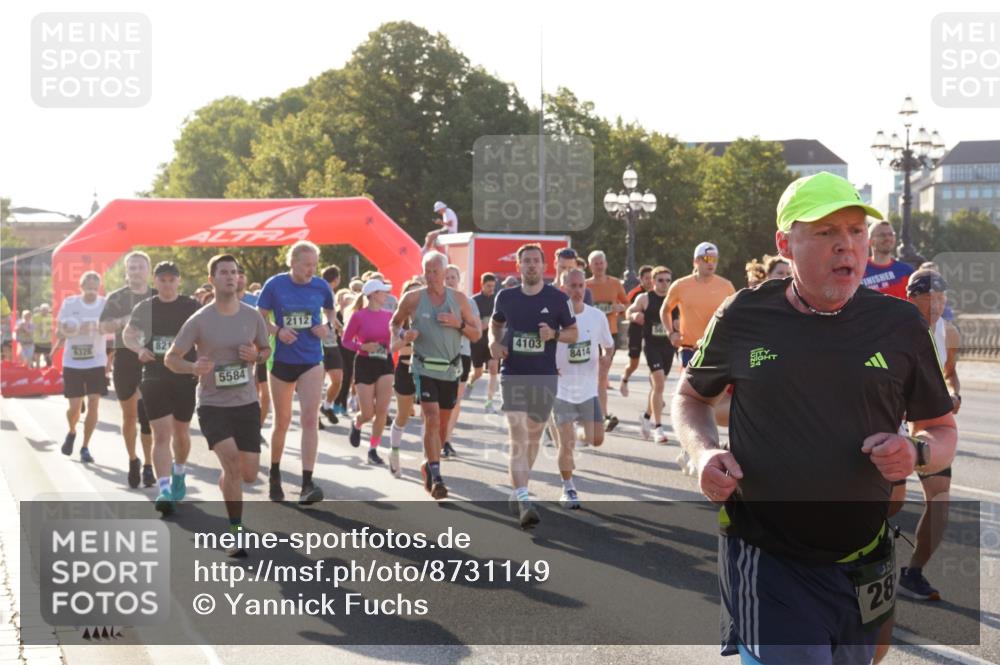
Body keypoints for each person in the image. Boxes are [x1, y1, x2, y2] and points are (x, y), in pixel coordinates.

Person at [671, 171, 957, 664]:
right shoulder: (744, 315)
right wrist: (702, 454)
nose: (846, 246)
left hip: (866, 560)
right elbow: (690, 398)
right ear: (786, 243)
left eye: (855, 232)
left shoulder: (899, 325)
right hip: (770, 561)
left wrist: (915, 451)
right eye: (826, 233)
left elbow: (942, 429)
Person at [166, 254, 270, 558]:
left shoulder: (252, 316)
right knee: (234, 463)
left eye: (234, 272)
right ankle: (236, 533)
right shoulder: (199, 320)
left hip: (247, 402)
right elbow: (171, 358)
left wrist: (256, 356)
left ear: (239, 279)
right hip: (213, 404)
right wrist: (193, 367)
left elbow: (265, 350)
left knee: (248, 474)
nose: (230, 277)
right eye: (223, 272)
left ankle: (228, 483)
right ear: (212, 280)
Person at [490, 243, 577, 528]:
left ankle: (518, 487)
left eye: (535, 261)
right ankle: (525, 498)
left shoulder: (557, 298)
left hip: (544, 374)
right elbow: (497, 324)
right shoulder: (505, 296)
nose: (530, 265)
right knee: (518, 434)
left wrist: (553, 333)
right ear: (519, 266)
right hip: (513, 372)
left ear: (543, 266)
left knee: (535, 434)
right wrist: (495, 342)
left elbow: (573, 333)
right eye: (525, 261)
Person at [390, 251, 481, 500]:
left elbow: (476, 335)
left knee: (441, 426)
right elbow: (395, 322)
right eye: (427, 271)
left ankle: (428, 463)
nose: (431, 276)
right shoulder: (413, 298)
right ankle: (437, 475)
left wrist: (457, 324)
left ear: (444, 272)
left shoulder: (460, 300)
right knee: (429, 418)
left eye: (435, 272)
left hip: (450, 368)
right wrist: (402, 336)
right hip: (422, 367)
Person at [898, 269, 962, 601]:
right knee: (886, 504)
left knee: (940, 506)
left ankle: (914, 571)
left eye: (941, 298)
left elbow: (950, 374)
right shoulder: (894, 330)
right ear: (912, 298)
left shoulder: (947, 333)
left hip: (929, 428)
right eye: (929, 298)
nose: (936, 305)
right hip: (891, 422)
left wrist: (954, 394)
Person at [257, 241, 335, 504]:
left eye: (315, 264)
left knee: (310, 420)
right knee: (282, 420)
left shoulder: (321, 286)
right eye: (306, 265)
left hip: (312, 358)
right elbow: (260, 317)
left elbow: (331, 313)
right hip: (281, 360)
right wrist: (277, 331)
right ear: (293, 263)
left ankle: (307, 482)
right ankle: (275, 473)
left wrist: (326, 326)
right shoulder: (275, 285)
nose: (311, 270)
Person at [123, 262, 200, 514]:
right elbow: (128, 334)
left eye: (171, 280)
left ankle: (179, 471)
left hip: (184, 375)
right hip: (154, 374)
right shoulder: (145, 307)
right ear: (155, 282)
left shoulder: (191, 306)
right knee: (161, 434)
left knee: (181, 433)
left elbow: (205, 334)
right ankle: (164, 488)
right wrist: (139, 349)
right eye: (162, 280)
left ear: (178, 281)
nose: (167, 284)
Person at [554, 268, 613, 509]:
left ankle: (581, 431)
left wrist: (606, 361)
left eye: (580, 286)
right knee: (565, 444)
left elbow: (608, 346)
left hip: (588, 390)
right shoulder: (554, 318)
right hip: (560, 391)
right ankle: (568, 489)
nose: (577, 291)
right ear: (563, 288)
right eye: (572, 286)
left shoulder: (596, 317)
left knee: (596, 439)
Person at [100, 251, 155, 489]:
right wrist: (124, 320)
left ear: (148, 270)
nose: (136, 271)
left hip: (151, 361)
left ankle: (149, 465)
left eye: (140, 267)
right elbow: (102, 328)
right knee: (130, 415)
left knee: (148, 417)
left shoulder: (157, 296)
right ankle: (133, 460)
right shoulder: (116, 297)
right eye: (132, 267)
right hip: (125, 361)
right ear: (126, 271)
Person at [340, 279, 395, 465]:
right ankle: (357, 423)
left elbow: (398, 334)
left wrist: (405, 335)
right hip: (364, 363)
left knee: (381, 411)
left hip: (385, 363)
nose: (386, 295)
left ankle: (373, 449)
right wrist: (362, 346)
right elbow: (346, 341)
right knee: (368, 413)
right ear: (372, 295)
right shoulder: (358, 316)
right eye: (382, 292)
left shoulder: (389, 315)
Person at [57, 271, 108, 463]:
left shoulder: (104, 304)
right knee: (74, 407)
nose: (92, 291)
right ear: (82, 287)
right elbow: (59, 331)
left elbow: (113, 326)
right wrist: (78, 328)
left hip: (96, 361)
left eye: (95, 287)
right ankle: (71, 431)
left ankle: (85, 447)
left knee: (94, 401)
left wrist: (101, 326)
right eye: (88, 287)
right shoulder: (70, 304)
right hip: (73, 361)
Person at [660, 242, 736, 369]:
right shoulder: (680, 285)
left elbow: (736, 314)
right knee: (689, 388)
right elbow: (665, 310)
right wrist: (671, 333)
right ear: (696, 261)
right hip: (689, 349)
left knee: (714, 388)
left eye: (714, 259)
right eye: (706, 259)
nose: (711, 263)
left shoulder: (726, 286)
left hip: (717, 348)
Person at [626, 266, 674, 444]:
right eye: (660, 280)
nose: (664, 284)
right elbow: (629, 311)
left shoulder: (673, 299)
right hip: (651, 345)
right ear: (653, 282)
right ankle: (658, 428)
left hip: (668, 347)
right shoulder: (645, 298)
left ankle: (646, 416)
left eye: (668, 280)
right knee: (659, 383)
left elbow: (679, 320)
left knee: (657, 388)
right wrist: (634, 315)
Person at [585, 250, 628, 432]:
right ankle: (594, 412)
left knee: (602, 375)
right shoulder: (585, 285)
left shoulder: (615, 283)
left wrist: (620, 307)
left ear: (606, 264)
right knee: (591, 375)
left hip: (610, 334)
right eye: (595, 263)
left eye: (601, 262)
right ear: (590, 266)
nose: (599, 266)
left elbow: (626, 304)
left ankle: (602, 415)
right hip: (588, 335)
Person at [440, 264, 478, 458]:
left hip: (461, 353)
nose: (449, 280)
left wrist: (459, 324)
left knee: (455, 399)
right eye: (446, 276)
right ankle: (436, 436)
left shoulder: (469, 303)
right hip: (438, 354)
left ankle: (446, 440)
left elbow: (476, 332)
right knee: (439, 399)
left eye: (453, 277)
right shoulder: (433, 301)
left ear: (459, 279)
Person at [387, 279, 424, 477]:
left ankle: (429, 462)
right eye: (411, 293)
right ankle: (394, 454)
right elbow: (391, 348)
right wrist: (405, 339)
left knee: (428, 416)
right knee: (403, 416)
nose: (415, 296)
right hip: (404, 368)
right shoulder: (399, 320)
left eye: (419, 292)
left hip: (427, 369)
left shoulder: (429, 316)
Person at [237, 266, 270, 440]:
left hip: (258, 353)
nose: (239, 279)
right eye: (236, 275)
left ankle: (256, 428)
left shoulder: (256, 301)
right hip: (234, 356)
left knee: (265, 395)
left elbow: (266, 325)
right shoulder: (221, 300)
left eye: (242, 275)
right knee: (249, 392)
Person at [619, 265, 653, 396]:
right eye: (646, 278)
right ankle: (625, 378)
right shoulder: (635, 293)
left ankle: (656, 392)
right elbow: (626, 312)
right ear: (641, 279)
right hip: (636, 330)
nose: (650, 281)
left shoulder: (660, 293)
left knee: (654, 365)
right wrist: (634, 315)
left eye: (651, 278)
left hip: (652, 333)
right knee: (634, 363)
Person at [468, 272, 500, 413]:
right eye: (488, 286)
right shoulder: (474, 301)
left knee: (493, 368)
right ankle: (470, 383)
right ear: (482, 285)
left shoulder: (497, 300)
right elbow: (471, 323)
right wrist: (482, 324)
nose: (491, 289)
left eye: (493, 286)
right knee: (478, 373)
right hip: (477, 341)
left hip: (492, 340)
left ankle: (489, 401)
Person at [318, 265, 345, 427]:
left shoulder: (331, 292)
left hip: (332, 342)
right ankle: (315, 418)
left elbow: (329, 313)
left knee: (337, 380)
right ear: (337, 279)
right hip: (319, 343)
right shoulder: (319, 289)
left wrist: (339, 326)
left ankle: (326, 406)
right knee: (318, 384)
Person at [862, 220, 914, 299]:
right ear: (870, 241)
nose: (887, 238)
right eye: (882, 235)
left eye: (891, 234)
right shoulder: (858, 270)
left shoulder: (906, 271)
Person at [333, 288, 357, 416]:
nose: (347, 303)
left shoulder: (354, 315)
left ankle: (343, 404)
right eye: (345, 300)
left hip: (351, 349)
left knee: (348, 377)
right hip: (338, 348)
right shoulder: (335, 315)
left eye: (350, 301)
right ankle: (336, 402)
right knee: (342, 376)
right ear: (340, 301)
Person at [32, 303, 53, 368]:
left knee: (48, 355)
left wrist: (48, 328)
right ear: (40, 310)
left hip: (48, 340)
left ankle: (49, 368)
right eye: (43, 309)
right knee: (37, 354)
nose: (44, 311)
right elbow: (31, 326)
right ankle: (37, 368)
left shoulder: (51, 316)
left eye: (46, 309)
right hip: (38, 340)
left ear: (48, 310)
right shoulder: (35, 316)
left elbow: (54, 326)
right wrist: (39, 327)